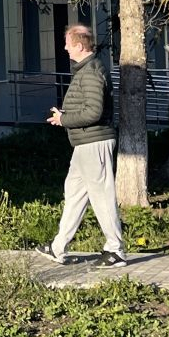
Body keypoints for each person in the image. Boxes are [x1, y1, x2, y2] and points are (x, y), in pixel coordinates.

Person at [37, 23, 126, 267]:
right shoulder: (87, 70)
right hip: (85, 143)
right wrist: (65, 115)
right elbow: (89, 107)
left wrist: (64, 119)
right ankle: (58, 247)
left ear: (78, 45)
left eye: (67, 44)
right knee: (74, 193)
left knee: (102, 196)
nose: (65, 48)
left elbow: (94, 112)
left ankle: (115, 250)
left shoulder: (91, 72)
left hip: (94, 143)